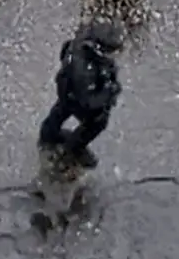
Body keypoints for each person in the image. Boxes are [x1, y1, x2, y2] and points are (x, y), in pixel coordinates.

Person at [38, 20, 123, 166]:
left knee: (60, 115)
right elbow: (88, 100)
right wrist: (109, 92)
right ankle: (64, 155)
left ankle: (58, 145)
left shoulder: (80, 50)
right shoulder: (84, 70)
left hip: (71, 95)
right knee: (96, 121)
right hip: (79, 98)